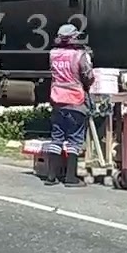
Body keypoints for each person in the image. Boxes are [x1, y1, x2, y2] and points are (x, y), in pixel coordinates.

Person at [45, 23, 95, 187]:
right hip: (75, 100)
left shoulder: (53, 54)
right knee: (75, 139)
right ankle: (70, 177)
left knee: (57, 137)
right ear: (73, 37)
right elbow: (88, 77)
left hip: (57, 99)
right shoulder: (79, 55)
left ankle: (51, 177)